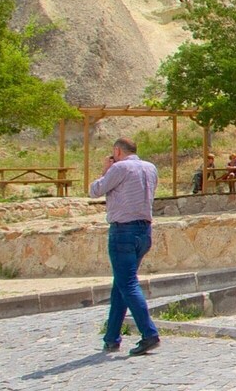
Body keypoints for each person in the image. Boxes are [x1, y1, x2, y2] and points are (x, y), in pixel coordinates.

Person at [90, 139, 162, 356]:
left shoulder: (119, 168)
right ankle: (111, 337)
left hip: (123, 230)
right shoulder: (151, 168)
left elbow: (96, 190)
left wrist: (106, 170)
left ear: (117, 151)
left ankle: (149, 333)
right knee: (120, 285)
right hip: (144, 231)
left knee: (127, 283)